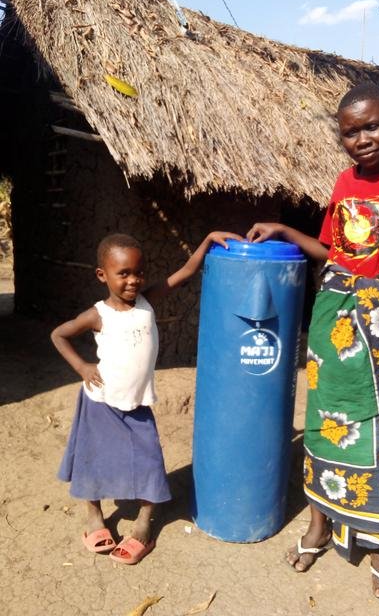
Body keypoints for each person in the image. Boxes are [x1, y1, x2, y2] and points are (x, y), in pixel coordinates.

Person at [247, 82, 379, 604]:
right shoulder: (344, 182)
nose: (363, 138)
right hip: (334, 323)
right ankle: (320, 524)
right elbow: (335, 253)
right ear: (341, 136)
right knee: (329, 425)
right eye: (351, 132)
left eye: (372, 126)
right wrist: (284, 229)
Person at [51, 230, 241, 564]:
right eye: (123, 273)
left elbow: (185, 272)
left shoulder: (147, 301)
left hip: (136, 404)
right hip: (99, 402)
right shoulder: (97, 315)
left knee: (149, 461)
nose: (133, 280)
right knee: (93, 460)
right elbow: (59, 335)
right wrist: (82, 366)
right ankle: (94, 515)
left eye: (138, 272)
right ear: (102, 275)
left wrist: (208, 238)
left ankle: (143, 522)